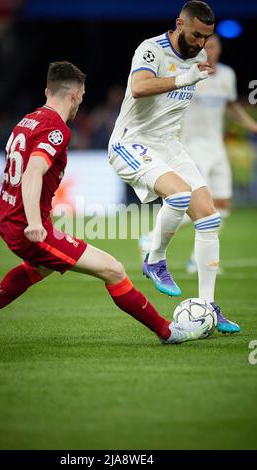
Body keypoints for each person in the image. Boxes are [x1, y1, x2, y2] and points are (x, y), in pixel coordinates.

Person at [0, 61, 209, 348]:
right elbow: (31, 173)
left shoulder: (27, 120)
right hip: (27, 225)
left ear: (47, 90)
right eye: (83, 96)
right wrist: (36, 224)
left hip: (8, 216)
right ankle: (168, 332)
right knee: (112, 269)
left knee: (40, 268)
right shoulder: (56, 129)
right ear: (75, 95)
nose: (81, 102)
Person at [108, 1, 240, 333]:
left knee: (209, 218)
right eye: (197, 35)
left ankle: (209, 307)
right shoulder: (151, 50)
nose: (201, 44)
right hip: (132, 141)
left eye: (207, 38)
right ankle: (154, 259)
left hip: (170, 145)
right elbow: (139, 88)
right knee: (179, 196)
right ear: (179, 23)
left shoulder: (199, 57)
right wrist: (183, 78)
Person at [180, 34, 257, 273]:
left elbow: (231, 107)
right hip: (192, 147)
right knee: (200, 205)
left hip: (217, 148)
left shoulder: (227, 75)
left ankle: (197, 258)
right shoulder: (188, 74)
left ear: (220, 50)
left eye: (214, 46)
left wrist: (251, 125)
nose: (210, 51)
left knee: (222, 205)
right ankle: (153, 238)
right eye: (206, 46)